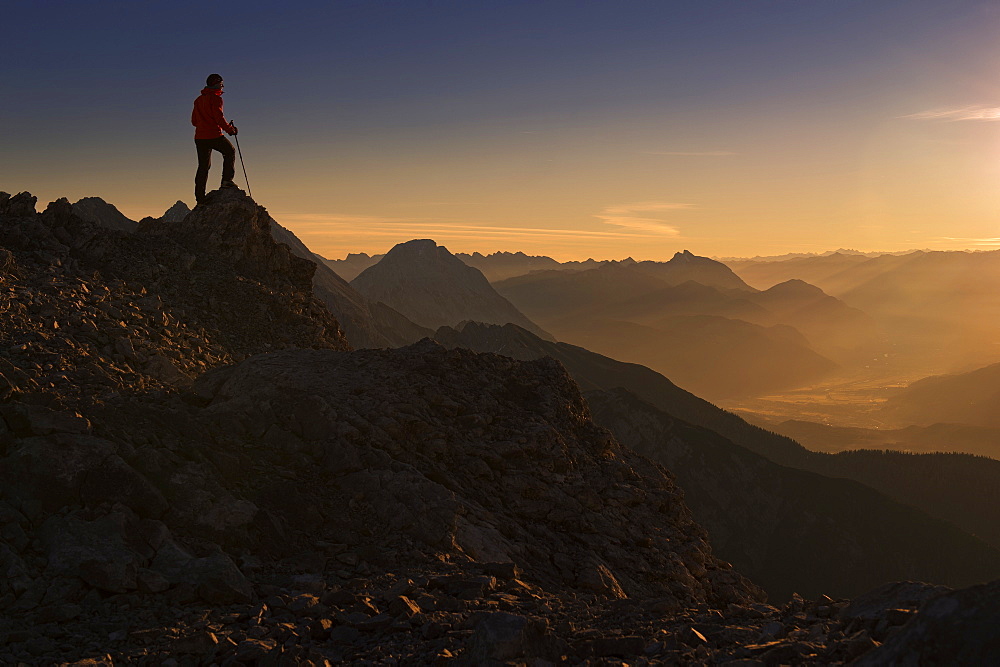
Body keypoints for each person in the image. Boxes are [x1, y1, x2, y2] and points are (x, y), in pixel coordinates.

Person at [191, 73, 238, 204]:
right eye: (221, 84)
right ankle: (226, 181)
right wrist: (230, 130)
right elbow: (219, 118)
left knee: (203, 166)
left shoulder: (198, 100)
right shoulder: (216, 99)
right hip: (214, 135)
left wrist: (203, 124)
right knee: (229, 151)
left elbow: (194, 121)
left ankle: (200, 197)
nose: (222, 87)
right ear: (216, 84)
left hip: (200, 137)